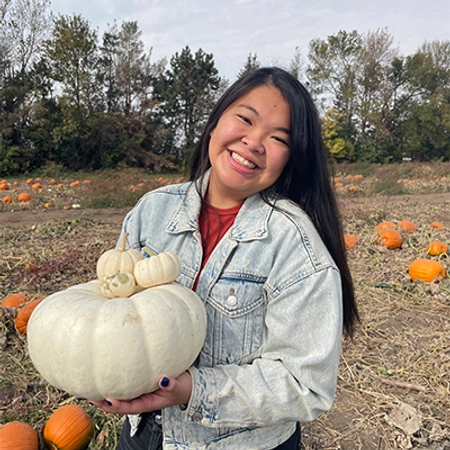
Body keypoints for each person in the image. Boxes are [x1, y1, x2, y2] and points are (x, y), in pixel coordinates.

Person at [91, 66, 359, 450]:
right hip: (144, 433)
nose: (254, 142)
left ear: (291, 158)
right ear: (215, 123)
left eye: (278, 138)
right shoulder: (152, 211)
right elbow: (117, 306)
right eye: (245, 119)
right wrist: (103, 372)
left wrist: (194, 390)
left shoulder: (294, 244)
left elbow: (306, 385)